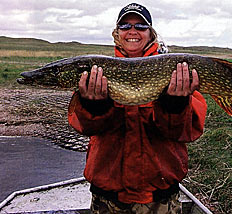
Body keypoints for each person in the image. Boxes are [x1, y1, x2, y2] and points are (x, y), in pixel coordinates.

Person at [68, 3, 207, 214]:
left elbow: (188, 131)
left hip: (160, 199)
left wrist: (175, 106)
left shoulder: (175, 70)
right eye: (125, 25)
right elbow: (83, 126)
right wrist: (93, 106)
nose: (132, 31)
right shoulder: (96, 74)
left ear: (151, 33)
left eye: (141, 26)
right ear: (117, 33)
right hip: (108, 198)